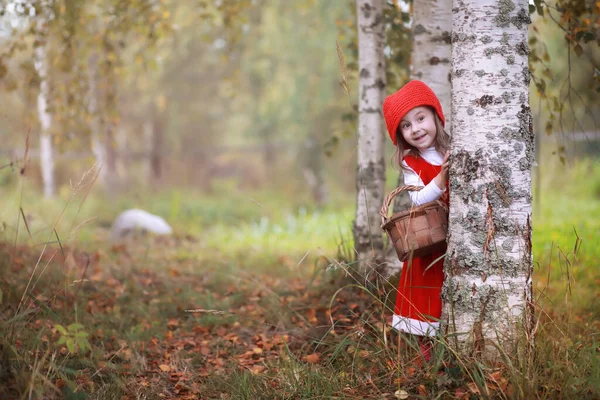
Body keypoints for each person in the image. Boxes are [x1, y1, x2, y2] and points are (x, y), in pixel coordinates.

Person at [382, 80, 451, 362]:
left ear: (435, 116)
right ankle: (430, 362)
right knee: (427, 299)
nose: (416, 129)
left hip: (458, 237)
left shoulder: (457, 146)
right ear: (401, 135)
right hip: (432, 239)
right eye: (406, 126)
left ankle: (453, 352)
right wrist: (441, 178)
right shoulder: (412, 162)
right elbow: (418, 200)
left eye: (420, 118)